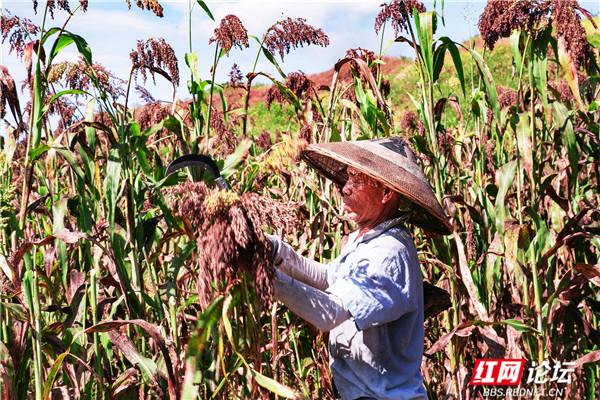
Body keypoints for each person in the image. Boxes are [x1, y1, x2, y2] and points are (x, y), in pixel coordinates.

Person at [267, 136, 452, 400]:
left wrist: (267, 277)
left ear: (387, 193)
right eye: (348, 178)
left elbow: (329, 313)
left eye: (357, 181)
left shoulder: (389, 253)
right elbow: (329, 278)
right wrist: (274, 250)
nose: (344, 189)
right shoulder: (365, 239)